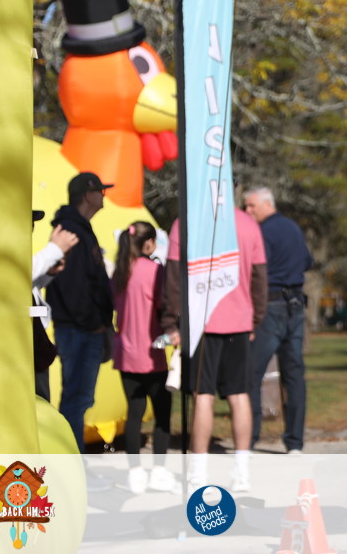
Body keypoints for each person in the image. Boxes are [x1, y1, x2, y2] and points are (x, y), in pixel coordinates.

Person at [162, 207, 267, 491]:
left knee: (203, 396)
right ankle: (242, 473)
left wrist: (171, 321)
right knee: (239, 395)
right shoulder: (247, 223)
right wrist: (255, 318)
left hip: (201, 322)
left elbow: (173, 277)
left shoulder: (186, 220)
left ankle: (198, 474)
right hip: (238, 320)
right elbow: (259, 277)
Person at [46, 172, 115, 452]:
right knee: (76, 400)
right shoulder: (71, 232)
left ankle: (72, 462)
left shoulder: (80, 229)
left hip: (82, 329)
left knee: (78, 400)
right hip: (79, 330)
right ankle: (72, 464)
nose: (104, 196)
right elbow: (72, 286)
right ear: (88, 195)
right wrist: (94, 324)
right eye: (101, 191)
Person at [243, 187, 313, 454]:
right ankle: (295, 443)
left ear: (266, 204)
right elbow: (307, 261)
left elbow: (254, 268)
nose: (247, 211)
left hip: (270, 306)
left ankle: (249, 440)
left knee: (252, 373)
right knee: (294, 375)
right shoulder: (293, 228)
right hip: (295, 305)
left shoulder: (261, 231)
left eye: (251, 205)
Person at [111, 221, 179, 494]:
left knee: (134, 413)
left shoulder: (120, 273)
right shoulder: (156, 271)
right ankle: (159, 471)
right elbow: (167, 306)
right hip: (153, 353)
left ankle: (135, 473)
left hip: (126, 353)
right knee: (162, 414)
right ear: (149, 243)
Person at [32, 211, 79, 401]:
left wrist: (48, 273)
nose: (32, 226)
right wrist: (55, 249)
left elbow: (27, 285)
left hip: (35, 347)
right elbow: (13, 276)